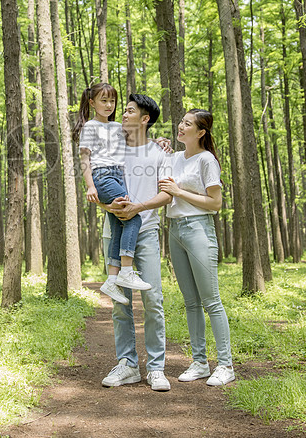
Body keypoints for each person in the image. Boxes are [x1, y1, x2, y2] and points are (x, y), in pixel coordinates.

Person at [97, 94, 173, 392]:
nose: (122, 114)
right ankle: (127, 365)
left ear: (145, 119)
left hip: (147, 233)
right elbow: (98, 188)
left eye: (129, 111)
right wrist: (112, 208)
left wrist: (137, 209)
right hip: (113, 231)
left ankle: (156, 368)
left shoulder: (160, 152)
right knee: (119, 302)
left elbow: (167, 195)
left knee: (153, 300)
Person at [158, 109, 235, 387]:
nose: (181, 126)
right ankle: (200, 362)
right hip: (175, 230)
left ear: (200, 132)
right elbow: (155, 166)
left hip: (199, 229)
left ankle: (225, 365)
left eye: (187, 124)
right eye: (181, 121)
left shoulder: (206, 160)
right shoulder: (175, 158)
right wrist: (159, 146)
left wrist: (179, 192)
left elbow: (216, 204)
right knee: (191, 302)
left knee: (211, 300)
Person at [74, 83, 151, 305]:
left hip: (119, 176)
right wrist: (91, 186)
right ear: (92, 103)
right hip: (103, 177)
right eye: (103, 101)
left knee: (120, 223)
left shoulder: (118, 126)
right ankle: (126, 271)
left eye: (112, 101)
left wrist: (159, 142)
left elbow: (137, 144)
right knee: (134, 216)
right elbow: (85, 159)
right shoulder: (90, 126)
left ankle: (111, 279)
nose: (108, 105)